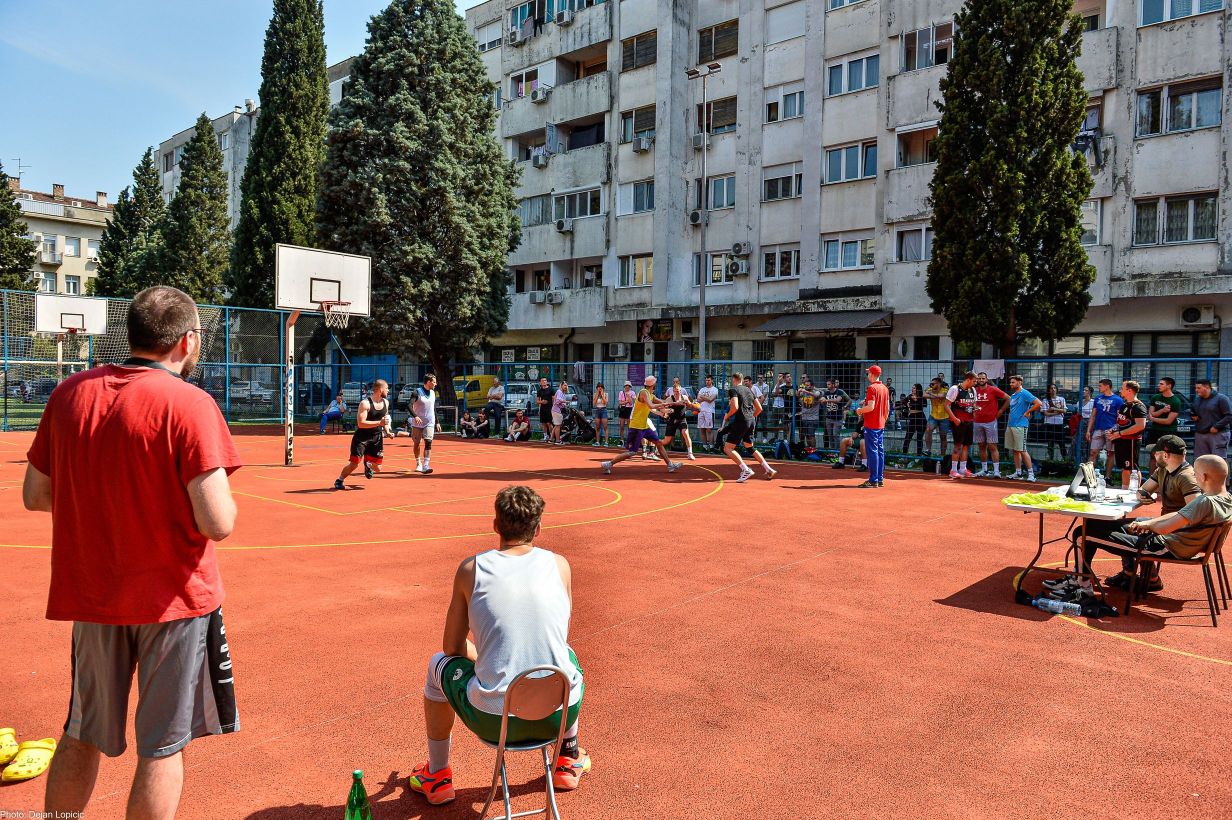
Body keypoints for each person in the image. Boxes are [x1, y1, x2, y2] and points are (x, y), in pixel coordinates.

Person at [23, 285, 241, 819]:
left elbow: (36, 495)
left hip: (94, 595)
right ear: (187, 341)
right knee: (163, 747)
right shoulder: (191, 404)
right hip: (173, 598)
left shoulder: (70, 393)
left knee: (79, 734)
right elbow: (218, 522)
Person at [408, 486, 589, 806]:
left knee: (437, 663)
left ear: (495, 525)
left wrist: (483, 656)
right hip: (556, 714)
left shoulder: (471, 569)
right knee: (566, 653)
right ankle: (568, 756)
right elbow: (557, 635)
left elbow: (451, 646)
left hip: (495, 719)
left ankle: (437, 774)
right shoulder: (560, 565)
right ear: (539, 527)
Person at [1051, 455, 1230, 603]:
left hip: (1163, 546)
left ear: (1204, 477)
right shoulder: (1224, 498)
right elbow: (1179, 515)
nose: (1193, 476)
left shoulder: (1205, 502)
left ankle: (1082, 586)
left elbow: (1166, 528)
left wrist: (1149, 526)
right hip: (1179, 543)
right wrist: (1148, 524)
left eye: (1196, 473)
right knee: (1098, 524)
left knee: (1082, 533)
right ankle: (1080, 578)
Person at [600, 376, 682, 475]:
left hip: (644, 426)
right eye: (655, 382)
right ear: (652, 385)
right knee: (632, 452)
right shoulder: (644, 393)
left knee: (658, 443)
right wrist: (668, 405)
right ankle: (609, 464)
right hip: (636, 426)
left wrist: (676, 403)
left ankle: (670, 465)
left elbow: (663, 402)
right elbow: (651, 406)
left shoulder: (651, 394)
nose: (656, 384)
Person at [716, 372, 776, 482]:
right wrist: (750, 418)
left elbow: (734, 406)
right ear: (742, 380)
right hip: (751, 420)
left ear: (734, 379)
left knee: (728, 448)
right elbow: (759, 408)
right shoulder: (749, 390)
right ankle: (768, 469)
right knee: (749, 447)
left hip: (741, 421)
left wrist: (727, 416)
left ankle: (745, 469)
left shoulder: (733, 390)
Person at [335, 379, 390, 487]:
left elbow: (385, 419)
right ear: (380, 389)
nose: (388, 391)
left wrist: (388, 430)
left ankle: (368, 464)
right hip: (362, 438)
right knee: (354, 463)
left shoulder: (386, 402)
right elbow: (361, 424)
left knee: (378, 468)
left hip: (377, 437)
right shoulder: (365, 403)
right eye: (387, 388)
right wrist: (380, 423)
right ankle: (339, 480)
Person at [855, 365, 890, 488]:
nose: (867, 375)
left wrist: (860, 410)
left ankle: (873, 479)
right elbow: (887, 408)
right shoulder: (885, 388)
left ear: (872, 374)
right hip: (880, 424)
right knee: (880, 451)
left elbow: (870, 407)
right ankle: (879, 478)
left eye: (868, 373)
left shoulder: (872, 388)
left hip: (872, 424)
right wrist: (883, 421)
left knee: (873, 451)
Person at [1107, 380, 1148, 488]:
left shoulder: (1138, 406)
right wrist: (1113, 430)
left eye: (1122, 388)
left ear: (1129, 391)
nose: (1120, 390)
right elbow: (1120, 422)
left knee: (1132, 468)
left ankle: (1136, 491)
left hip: (1131, 441)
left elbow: (1140, 426)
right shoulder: (1124, 405)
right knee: (1124, 468)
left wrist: (1120, 433)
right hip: (1121, 440)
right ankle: (1124, 490)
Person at [971, 372, 1009, 477]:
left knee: (992, 445)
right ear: (977, 380)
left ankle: (996, 471)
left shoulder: (993, 389)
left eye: (983, 378)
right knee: (981, 446)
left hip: (990, 422)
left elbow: (1008, 398)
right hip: (977, 422)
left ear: (987, 379)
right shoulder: (973, 390)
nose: (981, 380)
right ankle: (984, 470)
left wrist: (1001, 411)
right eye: (979, 378)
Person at [1005, 375, 1042, 482]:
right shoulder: (1013, 395)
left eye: (1013, 382)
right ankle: (1018, 472)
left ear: (1020, 382)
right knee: (1015, 450)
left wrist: (1027, 412)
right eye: (1010, 382)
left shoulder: (1024, 393)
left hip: (1021, 425)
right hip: (1011, 425)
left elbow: (1038, 403)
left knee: (1022, 450)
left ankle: (1031, 474)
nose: (1011, 384)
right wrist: (1008, 424)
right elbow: (1012, 411)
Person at [1086, 378, 1123, 476]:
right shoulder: (1098, 398)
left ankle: (1108, 477)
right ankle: (1089, 477)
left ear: (1107, 386)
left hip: (1111, 430)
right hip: (1098, 429)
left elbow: (1120, 418)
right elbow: (1093, 415)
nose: (1098, 387)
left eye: (1100, 386)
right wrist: (1088, 430)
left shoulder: (1118, 400)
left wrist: (1115, 429)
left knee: (1110, 453)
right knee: (1093, 452)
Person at [945, 372, 978, 479]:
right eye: (974, 381)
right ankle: (953, 470)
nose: (976, 383)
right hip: (959, 421)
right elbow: (946, 405)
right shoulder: (955, 389)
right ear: (968, 380)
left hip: (969, 421)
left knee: (966, 445)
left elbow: (973, 404)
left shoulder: (973, 390)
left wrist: (975, 410)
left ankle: (963, 469)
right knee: (958, 445)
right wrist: (954, 419)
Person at [1191, 379, 1232, 459]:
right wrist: (1193, 416)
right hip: (1201, 434)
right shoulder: (1197, 400)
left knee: (1218, 461)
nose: (1196, 390)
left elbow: (1229, 416)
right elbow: (1193, 412)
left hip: (1218, 434)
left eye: (1198, 388)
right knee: (1202, 460)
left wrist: (1217, 426)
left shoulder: (1222, 399)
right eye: (1196, 388)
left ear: (1206, 387)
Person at [411, 374, 442, 474]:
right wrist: (415, 416)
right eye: (434, 381)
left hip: (429, 422)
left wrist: (437, 422)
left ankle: (426, 465)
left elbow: (433, 408)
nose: (436, 384)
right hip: (417, 423)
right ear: (428, 382)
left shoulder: (433, 393)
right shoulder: (417, 392)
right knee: (417, 443)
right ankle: (418, 462)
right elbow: (408, 405)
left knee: (428, 442)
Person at [661, 377, 697, 460]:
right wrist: (667, 411)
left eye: (678, 391)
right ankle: (656, 447)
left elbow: (690, 406)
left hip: (682, 419)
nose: (677, 392)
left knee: (685, 433)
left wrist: (694, 406)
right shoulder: (670, 399)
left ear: (681, 390)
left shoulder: (684, 397)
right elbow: (662, 408)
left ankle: (690, 453)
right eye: (675, 391)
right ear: (673, 391)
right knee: (667, 440)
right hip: (672, 420)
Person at [1146, 377, 1181, 447]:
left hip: (1168, 432)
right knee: (1152, 452)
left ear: (1169, 386)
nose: (1158, 385)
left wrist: (1153, 419)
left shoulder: (1175, 401)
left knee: (1166, 454)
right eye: (1159, 384)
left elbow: (1168, 421)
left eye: (1161, 384)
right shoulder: (1155, 397)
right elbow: (1151, 413)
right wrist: (1162, 410)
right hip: (1154, 430)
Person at [821, 378, 851, 452]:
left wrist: (826, 400)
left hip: (838, 417)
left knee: (835, 435)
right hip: (829, 417)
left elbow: (837, 400)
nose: (827, 386)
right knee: (830, 435)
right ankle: (832, 450)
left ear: (833, 385)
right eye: (827, 384)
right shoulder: (827, 393)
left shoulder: (839, 392)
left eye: (829, 384)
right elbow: (822, 399)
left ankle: (837, 451)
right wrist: (822, 399)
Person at [924, 378, 949, 457]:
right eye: (931, 384)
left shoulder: (945, 389)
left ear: (938, 384)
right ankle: (928, 450)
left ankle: (942, 455)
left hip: (944, 417)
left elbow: (942, 396)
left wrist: (931, 394)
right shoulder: (930, 388)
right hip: (934, 416)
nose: (931, 385)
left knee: (943, 437)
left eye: (933, 384)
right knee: (928, 429)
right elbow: (924, 395)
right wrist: (935, 395)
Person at [1042, 384, 1068, 461]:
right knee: (1050, 443)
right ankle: (1050, 459)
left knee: (1062, 443)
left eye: (1054, 388)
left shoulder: (1061, 399)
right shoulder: (1046, 400)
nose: (1053, 389)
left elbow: (1065, 410)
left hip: (1059, 423)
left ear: (1056, 390)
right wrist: (1057, 412)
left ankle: (1065, 460)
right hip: (1049, 424)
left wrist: (1053, 409)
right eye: (1051, 388)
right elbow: (1046, 413)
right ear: (1049, 390)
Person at [901, 384, 926, 456]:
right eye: (912, 388)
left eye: (914, 388)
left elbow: (924, 405)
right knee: (908, 437)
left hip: (920, 417)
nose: (912, 389)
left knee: (919, 438)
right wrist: (907, 404)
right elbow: (903, 402)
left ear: (918, 389)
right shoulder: (909, 396)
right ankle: (904, 455)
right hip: (912, 417)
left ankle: (919, 456)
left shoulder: (922, 397)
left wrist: (915, 400)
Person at [797, 377, 822, 450]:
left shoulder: (816, 392)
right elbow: (797, 396)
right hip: (804, 417)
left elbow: (816, 396)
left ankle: (813, 449)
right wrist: (799, 391)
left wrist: (805, 391)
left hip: (813, 418)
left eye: (808, 385)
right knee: (807, 435)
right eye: (806, 385)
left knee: (811, 435)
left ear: (812, 386)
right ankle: (809, 449)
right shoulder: (803, 393)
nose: (806, 387)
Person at [696, 375, 719, 449]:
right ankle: (705, 447)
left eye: (708, 380)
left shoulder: (715, 389)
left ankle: (711, 447)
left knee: (709, 429)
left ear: (712, 381)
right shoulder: (702, 389)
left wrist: (702, 397)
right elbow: (698, 400)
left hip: (709, 411)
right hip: (701, 411)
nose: (707, 381)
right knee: (702, 429)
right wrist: (706, 398)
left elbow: (711, 399)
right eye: (706, 380)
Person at [1074, 385, 1094, 467]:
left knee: (1087, 443)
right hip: (1080, 423)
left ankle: (1087, 461)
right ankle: (1078, 461)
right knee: (1077, 442)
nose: (1083, 391)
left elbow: (1093, 415)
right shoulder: (1079, 402)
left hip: (1088, 423)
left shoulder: (1093, 402)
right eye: (1083, 390)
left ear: (1090, 392)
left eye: (1085, 390)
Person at [536, 376, 555, 443]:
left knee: (549, 423)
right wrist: (542, 402)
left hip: (549, 408)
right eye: (542, 381)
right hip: (542, 409)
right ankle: (545, 436)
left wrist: (554, 408)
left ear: (547, 382)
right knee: (543, 423)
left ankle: (552, 436)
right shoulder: (539, 391)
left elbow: (554, 399)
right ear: (540, 383)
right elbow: (537, 401)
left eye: (545, 380)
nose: (543, 382)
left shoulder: (551, 389)